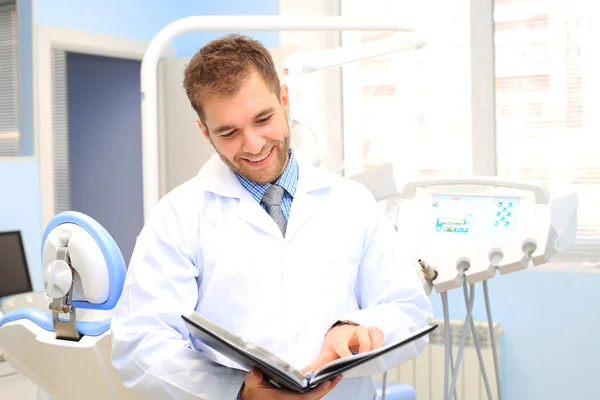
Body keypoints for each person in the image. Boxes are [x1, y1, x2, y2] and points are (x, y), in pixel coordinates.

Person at [110, 34, 433, 400]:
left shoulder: (352, 202)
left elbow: (409, 311)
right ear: (205, 131)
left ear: (284, 100)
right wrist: (237, 391)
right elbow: (139, 342)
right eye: (228, 132)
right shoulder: (179, 215)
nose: (253, 145)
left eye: (263, 119)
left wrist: (357, 328)